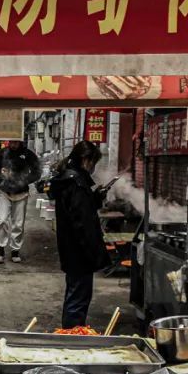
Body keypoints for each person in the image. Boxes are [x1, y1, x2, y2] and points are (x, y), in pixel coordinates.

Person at [49, 141, 113, 328]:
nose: (93, 168)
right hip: (79, 251)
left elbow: (78, 211)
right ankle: (72, 339)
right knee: (78, 299)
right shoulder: (76, 183)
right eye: (93, 162)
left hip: (72, 248)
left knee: (76, 295)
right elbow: (81, 222)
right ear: (86, 160)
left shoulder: (70, 179)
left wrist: (94, 198)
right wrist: (94, 253)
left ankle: (72, 333)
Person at [0, 140, 41, 264]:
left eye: (16, 142)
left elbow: (37, 172)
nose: (13, 145)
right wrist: (0, 178)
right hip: (5, 192)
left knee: (18, 223)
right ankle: (0, 249)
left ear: (20, 141)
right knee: (2, 220)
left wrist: (24, 180)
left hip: (21, 192)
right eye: (11, 142)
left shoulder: (28, 154)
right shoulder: (1, 153)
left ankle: (15, 250)